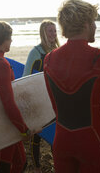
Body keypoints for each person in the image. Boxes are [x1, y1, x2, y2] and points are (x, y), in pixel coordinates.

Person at [43, 0, 100, 173]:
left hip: (61, 140)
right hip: (92, 140)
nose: (95, 26)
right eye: (93, 22)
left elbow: (55, 106)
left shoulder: (49, 59)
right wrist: (96, 130)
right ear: (86, 24)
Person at [0, 20, 32, 173]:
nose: (11, 40)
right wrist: (23, 129)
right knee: (4, 167)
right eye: (9, 37)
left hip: (0, 119)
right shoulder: (1, 64)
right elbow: (7, 101)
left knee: (20, 162)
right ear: (3, 40)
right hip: (5, 122)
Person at [22, 20, 60, 173]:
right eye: (50, 31)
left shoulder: (58, 50)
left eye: (55, 31)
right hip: (38, 101)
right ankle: (37, 168)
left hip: (54, 101)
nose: (53, 34)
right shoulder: (36, 52)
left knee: (55, 135)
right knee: (37, 136)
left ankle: (58, 165)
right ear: (43, 33)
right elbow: (25, 77)